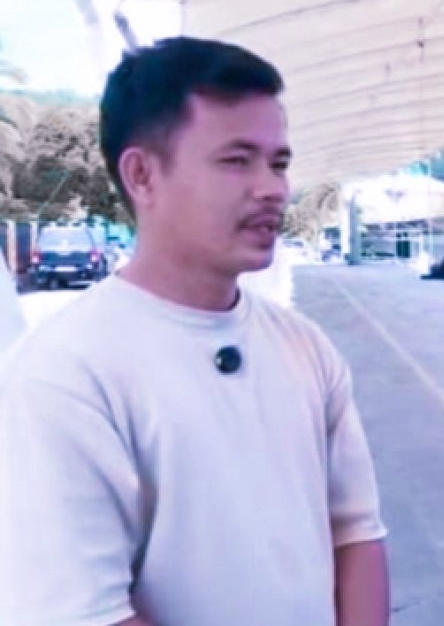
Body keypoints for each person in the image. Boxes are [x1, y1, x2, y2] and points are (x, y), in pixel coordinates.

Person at [0, 37, 389, 625]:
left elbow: (356, 532)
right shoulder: (63, 374)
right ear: (142, 175)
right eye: (236, 160)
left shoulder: (305, 348)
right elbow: (83, 613)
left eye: (279, 163)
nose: (272, 188)